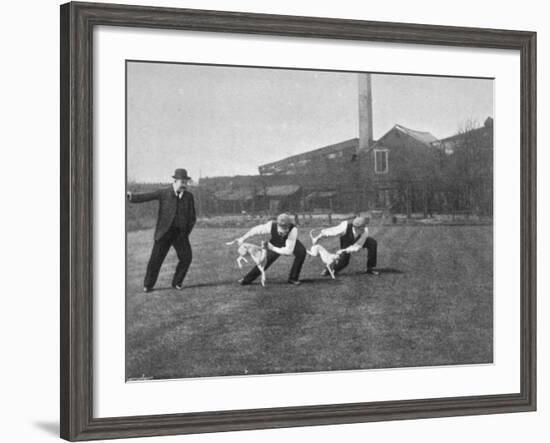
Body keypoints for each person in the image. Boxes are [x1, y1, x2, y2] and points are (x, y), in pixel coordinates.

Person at [127, 168, 196, 292]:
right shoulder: (164, 193)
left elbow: (192, 217)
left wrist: (185, 233)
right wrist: (131, 197)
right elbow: (147, 196)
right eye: (182, 182)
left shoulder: (189, 197)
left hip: (180, 235)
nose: (184, 185)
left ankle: (177, 283)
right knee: (156, 260)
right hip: (164, 233)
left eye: (186, 182)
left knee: (187, 258)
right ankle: (148, 285)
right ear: (175, 181)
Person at [236, 213, 306, 285]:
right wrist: (243, 237)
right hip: (275, 242)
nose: (284, 230)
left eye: (286, 227)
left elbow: (288, 251)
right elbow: (256, 230)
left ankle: (293, 278)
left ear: (289, 224)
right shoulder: (271, 225)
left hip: (289, 241)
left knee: (301, 252)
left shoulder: (293, 230)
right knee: (264, 261)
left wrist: (272, 248)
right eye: (282, 228)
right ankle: (246, 279)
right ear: (278, 225)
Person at [314, 216, 379, 276]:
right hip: (346, 241)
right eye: (361, 228)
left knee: (372, 243)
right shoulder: (344, 228)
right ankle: (328, 270)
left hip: (358, 243)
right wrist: (318, 237)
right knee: (344, 261)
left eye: (364, 227)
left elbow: (357, 246)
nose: (363, 229)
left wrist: (343, 250)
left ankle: (370, 268)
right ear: (355, 227)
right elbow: (332, 231)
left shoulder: (365, 232)